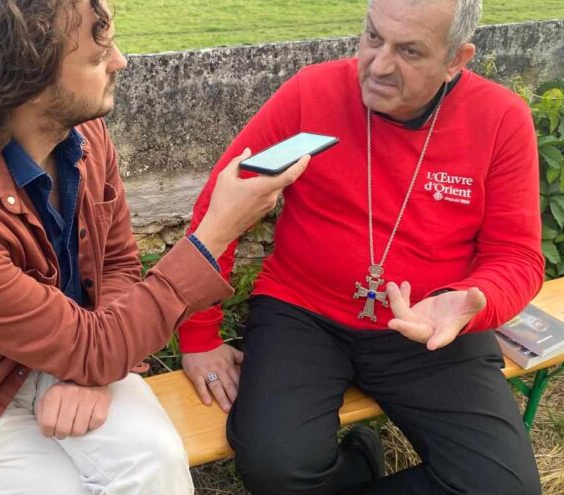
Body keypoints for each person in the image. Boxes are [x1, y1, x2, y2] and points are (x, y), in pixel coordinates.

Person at [0, 1, 310, 494]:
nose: (120, 61)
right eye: (97, 55)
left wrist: (90, 372)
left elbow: (117, 263)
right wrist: (214, 234)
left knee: (155, 463)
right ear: (25, 79)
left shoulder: (81, 132)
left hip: (70, 345)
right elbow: (94, 345)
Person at [179, 0, 544, 493]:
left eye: (409, 51)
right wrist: (199, 334)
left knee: (503, 488)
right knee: (276, 468)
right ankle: (360, 463)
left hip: (431, 324)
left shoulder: (499, 118)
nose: (378, 65)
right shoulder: (312, 93)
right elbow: (219, 205)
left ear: (456, 59)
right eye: (373, 37)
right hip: (303, 312)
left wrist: (472, 300)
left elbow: (517, 255)